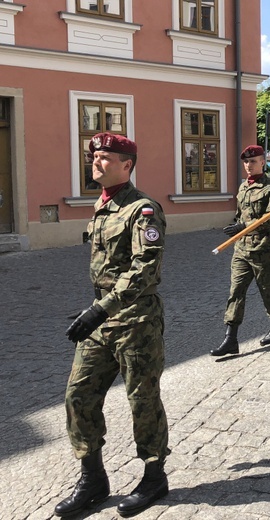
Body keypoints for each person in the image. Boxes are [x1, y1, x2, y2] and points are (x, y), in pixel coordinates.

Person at [57, 133, 170, 517]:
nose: (96, 161)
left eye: (105, 156)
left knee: (142, 400)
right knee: (78, 396)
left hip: (136, 320)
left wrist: (100, 308)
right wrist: (96, 310)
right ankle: (93, 478)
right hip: (102, 319)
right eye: (94, 156)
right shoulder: (101, 206)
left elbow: (144, 269)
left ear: (127, 164)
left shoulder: (144, 210)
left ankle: (154, 476)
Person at [210, 145, 270, 357]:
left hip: (263, 249)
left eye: (253, 161)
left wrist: (244, 226)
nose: (248, 165)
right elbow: (239, 214)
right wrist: (236, 226)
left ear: (263, 162)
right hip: (242, 249)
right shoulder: (243, 186)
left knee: (267, 290)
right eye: (246, 162)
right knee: (236, 291)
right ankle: (230, 338)